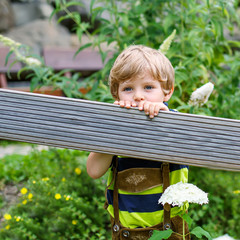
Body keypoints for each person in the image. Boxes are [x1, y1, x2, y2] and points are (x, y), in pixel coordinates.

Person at [87, 45, 189, 240]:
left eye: (148, 87)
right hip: (125, 230)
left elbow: (188, 144)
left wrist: (165, 120)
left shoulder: (175, 121)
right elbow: (93, 171)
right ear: (117, 95)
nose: (138, 96)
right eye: (128, 88)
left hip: (170, 231)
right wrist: (114, 129)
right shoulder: (115, 129)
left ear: (167, 92)